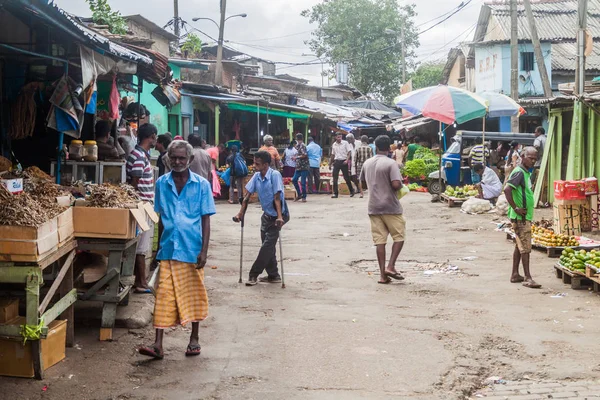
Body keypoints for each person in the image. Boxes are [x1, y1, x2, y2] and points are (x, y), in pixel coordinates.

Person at [138, 140, 216, 360]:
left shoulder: (201, 185)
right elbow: (161, 217)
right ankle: (158, 345)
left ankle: (194, 339)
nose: (178, 161)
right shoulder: (162, 183)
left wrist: (204, 250)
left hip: (192, 249)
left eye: (182, 158)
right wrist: (156, 250)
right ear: (167, 159)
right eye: (174, 157)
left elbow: (205, 220)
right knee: (163, 294)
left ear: (190, 160)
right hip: (169, 248)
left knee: (194, 293)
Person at [233, 150, 290, 286]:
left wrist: (280, 218)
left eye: (257, 163)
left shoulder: (274, 175)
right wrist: (240, 214)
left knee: (266, 247)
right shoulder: (257, 176)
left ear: (265, 164)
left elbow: (277, 197)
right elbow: (247, 197)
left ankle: (253, 274)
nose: (254, 165)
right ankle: (273, 275)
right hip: (266, 216)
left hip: (278, 215)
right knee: (268, 246)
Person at [360, 135, 406, 284]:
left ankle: (382, 275)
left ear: (376, 147)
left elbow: (362, 182)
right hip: (390, 206)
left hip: (373, 206)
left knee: (380, 241)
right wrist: (401, 185)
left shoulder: (367, 163)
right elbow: (395, 184)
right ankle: (391, 266)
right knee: (399, 237)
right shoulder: (391, 163)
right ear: (389, 148)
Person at [126, 123, 157, 293]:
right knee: (141, 246)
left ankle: (140, 280)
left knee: (141, 245)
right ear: (151, 136)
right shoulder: (139, 156)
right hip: (142, 205)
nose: (155, 140)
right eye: (155, 137)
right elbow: (134, 182)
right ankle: (142, 283)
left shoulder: (139, 154)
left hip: (143, 204)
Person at [504, 146, 541, 289]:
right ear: (523, 156)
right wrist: (516, 208)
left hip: (523, 216)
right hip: (520, 217)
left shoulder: (525, 173)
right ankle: (528, 277)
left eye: (534, 159)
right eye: (530, 158)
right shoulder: (519, 172)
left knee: (520, 246)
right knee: (525, 247)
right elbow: (507, 189)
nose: (532, 161)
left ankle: (515, 274)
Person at [329, 134, 354, 198]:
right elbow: (332, 154)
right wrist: (330, 163)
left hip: (344, 161)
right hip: (336, 162)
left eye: (340, 137)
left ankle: (351, 191)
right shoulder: (334, 145)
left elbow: (349, 152)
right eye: (338, 137)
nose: (339, 138)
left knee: (346, 177)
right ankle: (335, 193)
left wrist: (347, 160)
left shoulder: (345, 143)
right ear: (335, 137)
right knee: (335, 178)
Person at [292, 133, 309, 202]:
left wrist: (296, 157)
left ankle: (303, 196)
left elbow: (305, 155)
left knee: (303, 182)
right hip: (298, 166)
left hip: (304, 166)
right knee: (294, 180)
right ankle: (299, 194)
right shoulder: (297, 146)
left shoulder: (302, 146)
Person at [345, 133, 363, 198]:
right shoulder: (349, 145)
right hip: (353, 162)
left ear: (351, 138)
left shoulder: (359, 143)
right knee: (353, 176)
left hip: (359, 162)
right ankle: (358, 188)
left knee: (359, 176)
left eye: (348, 139)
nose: (348, 141)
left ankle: (360, 189)